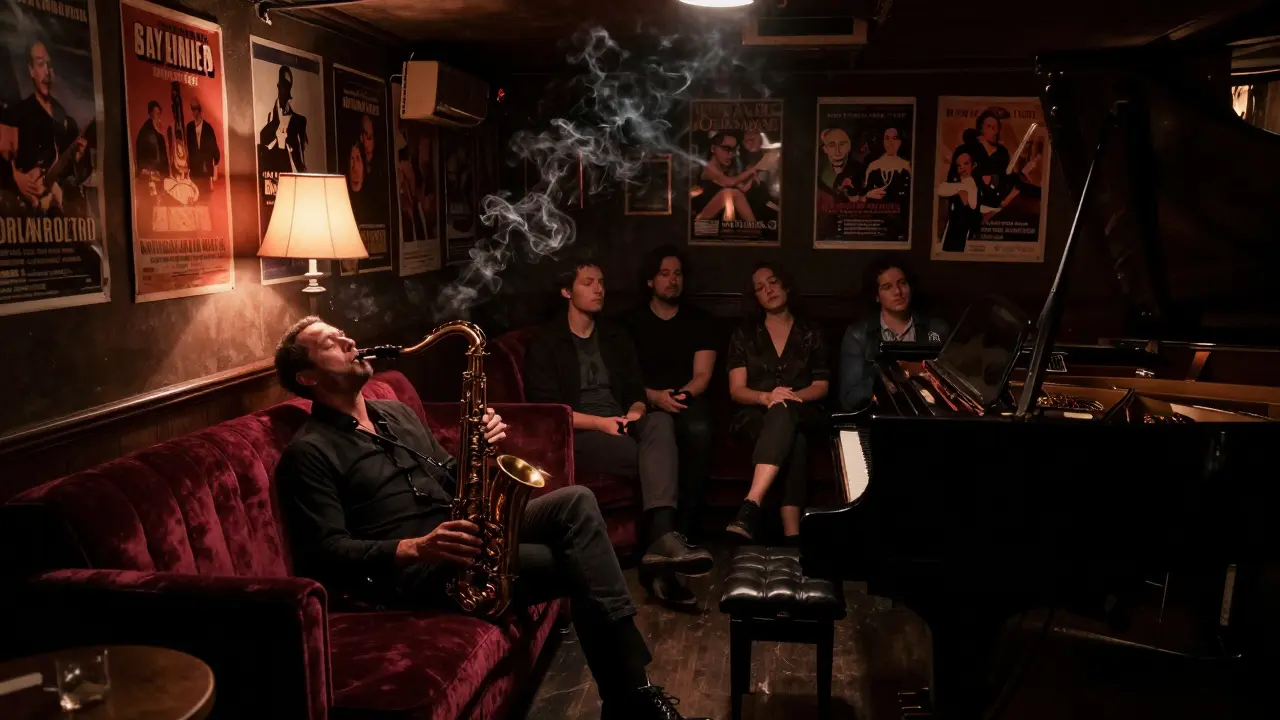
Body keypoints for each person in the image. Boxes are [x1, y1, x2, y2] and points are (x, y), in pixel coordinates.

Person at [273, 317, 713, 720]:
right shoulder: (309, 452)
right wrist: (415, 547)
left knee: (576, 501)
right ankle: (633, 695)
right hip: (421, 570)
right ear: (307, 377)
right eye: (330, 343)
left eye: (343, 334)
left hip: (464, 530)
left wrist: (480, 446)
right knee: (577, 562)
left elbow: (452, 477)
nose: (349, 341)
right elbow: (325, 553)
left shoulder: (396, 413)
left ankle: (629, 698)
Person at [524, 259, 714, 604]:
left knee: (660, 422)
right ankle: (663, 558)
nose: (599, 289)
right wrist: (601, 424)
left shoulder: (614, 336)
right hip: (581, 431)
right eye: (588, 283)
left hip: (622, 420)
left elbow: (634, 390)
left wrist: (634, 412)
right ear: (567, 291)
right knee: (654, 458)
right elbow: (549, 411)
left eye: (601, 282)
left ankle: (659, 550)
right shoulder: (547, 342)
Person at [725, 263, 830, 543]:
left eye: (773, 282)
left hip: (804, 410)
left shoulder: (811, 332)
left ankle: (750, 505)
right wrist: (766, 397)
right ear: (755, 298)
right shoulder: (745, 334)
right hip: (754, 415)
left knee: (786, 412)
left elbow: (821, 386)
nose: (769, 290)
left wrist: (790, 398)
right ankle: (793, 537)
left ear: (786, 285)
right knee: (796, 441)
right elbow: (737, 389)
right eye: (760, 288)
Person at [624, 246, 716, 542]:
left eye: (677, 274)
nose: (673, 280)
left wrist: (678, 397)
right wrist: (653, 397)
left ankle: (686, 530)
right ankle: (655, 529)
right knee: (654, 430)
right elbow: (623, 377)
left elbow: (702, 375)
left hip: (685, 399)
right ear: (650, 281)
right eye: (664, 274)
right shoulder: (628, 323)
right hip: (642, 400)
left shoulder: (700, 320)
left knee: (698, 429)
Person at [838, 258, 951, 411]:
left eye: (902, 283)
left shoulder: (936, 329)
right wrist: (881, 384)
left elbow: (952, 388)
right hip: (881, 413)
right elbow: (850, 398)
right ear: (877, 296)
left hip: (928, 413)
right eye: (887, 287)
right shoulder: (858, 335)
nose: (898, 292)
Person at [8, 40, 91, 217]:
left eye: (49, 65)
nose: (46, 72)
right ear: (31, 70)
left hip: (58, 211)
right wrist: (15, 177)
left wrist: (78, 159)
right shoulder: (18, 113)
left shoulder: (65, 118)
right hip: (27, 213)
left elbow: (75, 175)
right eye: (40, 64)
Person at [259, 65, 309, 173]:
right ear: (278, 86)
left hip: (292, 171)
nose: (286, 91)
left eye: (288, 87)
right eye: (284, 86)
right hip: (276, 171)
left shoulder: (298, 121)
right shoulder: (270, 117)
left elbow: (300, 154)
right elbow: (265, 147)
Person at [185, 99, 220, 198]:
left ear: (199, 110)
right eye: (192, 109)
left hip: (205, 169)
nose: (194, 112)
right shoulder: (189, 127)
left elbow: (214, 148)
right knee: (194, 196)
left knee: (205, 196)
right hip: (194, 169)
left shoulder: (208, 128)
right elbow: (187, 147)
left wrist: (215, 164)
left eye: (195, 109)